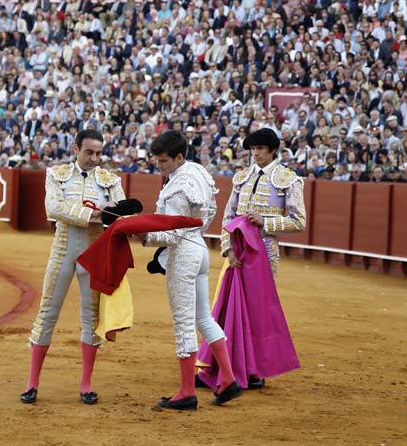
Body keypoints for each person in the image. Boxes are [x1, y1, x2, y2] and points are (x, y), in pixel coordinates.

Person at [20, 129, 126, 405]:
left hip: (95, 253)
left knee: (91, 317)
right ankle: (32, 383)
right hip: (63, 250)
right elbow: (53, 208)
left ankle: (86, 384)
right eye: (89, 152)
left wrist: (113, 214)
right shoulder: (56, 174)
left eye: (99, 153)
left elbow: (122, 212)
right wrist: (94, 213)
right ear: (76, 149)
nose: (95, 158)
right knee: (47, 313)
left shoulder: (109, 179)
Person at [141, 131, 242, 410]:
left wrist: (144, 235)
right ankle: (228, 379)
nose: (159, 166)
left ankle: (187, 391)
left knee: (184, 322)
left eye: (163, 161)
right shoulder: (197, 172)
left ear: (179, 157)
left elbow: (171, 233)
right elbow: (209, 212)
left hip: (183, 254)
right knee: (203, 318)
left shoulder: (176, 187)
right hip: (200, 248)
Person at [220, 128, 306, 389]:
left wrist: (265, 221)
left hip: (265, 253)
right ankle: (231, 365)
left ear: (272, 151)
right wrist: (229, 250)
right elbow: (228, 217)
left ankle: (256, 369)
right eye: (253, 149)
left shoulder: (288, 180)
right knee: (231, 307)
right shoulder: (241, 177)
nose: (255, 154)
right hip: (239, 252)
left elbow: (299, 221)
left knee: (258, 311)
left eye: (260, 149)